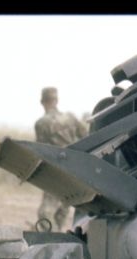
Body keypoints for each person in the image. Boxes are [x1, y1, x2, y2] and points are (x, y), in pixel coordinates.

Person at [33, 86, 89, 232]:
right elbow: (86, 137)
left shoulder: (42, 123)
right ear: (56, 100)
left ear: (42, 102)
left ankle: (50, 241)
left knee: (45, 213)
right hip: (73, 170)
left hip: (55, 172)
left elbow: (41, 150)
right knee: (63, 210)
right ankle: (58, 238)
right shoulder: (70, 118)